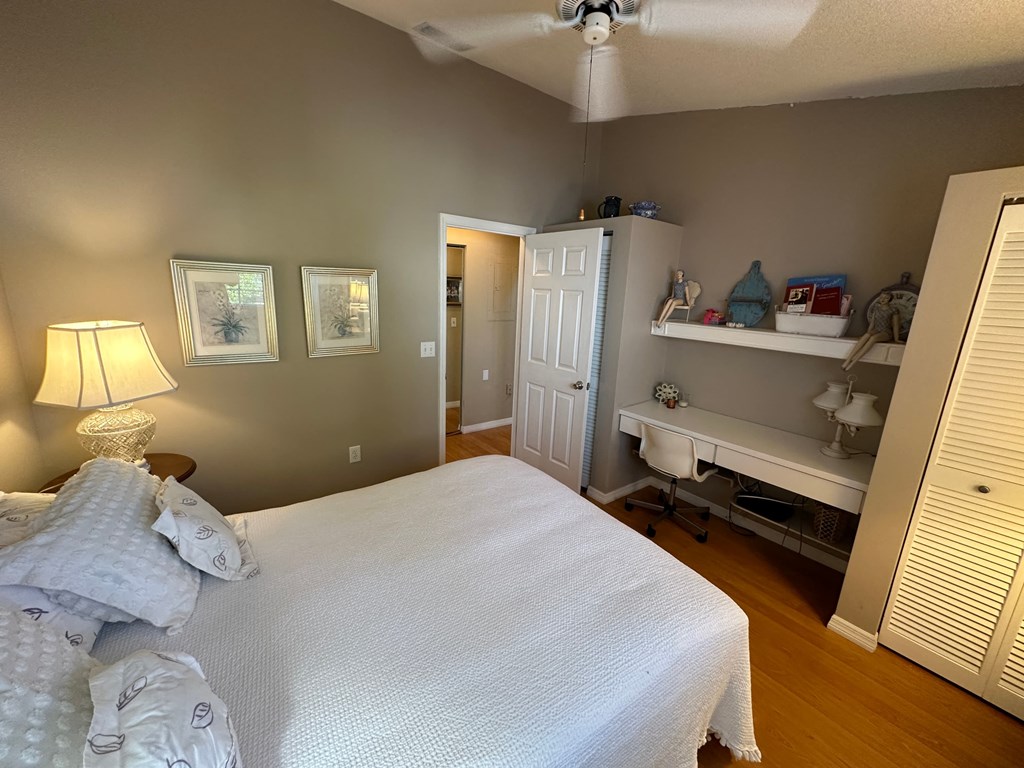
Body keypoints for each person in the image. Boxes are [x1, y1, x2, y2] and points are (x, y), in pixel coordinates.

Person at [842, 291, 901, 370]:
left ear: (890, 299)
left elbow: (895, 325)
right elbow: (872, 323)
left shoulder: (893, 310)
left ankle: (853, 362)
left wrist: (896, 338)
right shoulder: (876, 308)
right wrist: (867, 332)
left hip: (886, 332)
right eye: (881, 297)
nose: (883, 299)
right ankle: (848, 359)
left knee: (873, 338)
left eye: (886, 298)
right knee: (867, 335)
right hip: (876, 329)